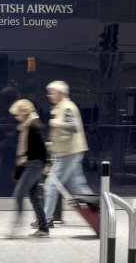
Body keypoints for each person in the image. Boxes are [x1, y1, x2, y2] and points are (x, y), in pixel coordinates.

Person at [31, 81, 94, 228]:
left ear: (60, 93)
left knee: (50, 185)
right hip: (69, 151)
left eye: (51, 92)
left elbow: (74, 127)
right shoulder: (62, 107)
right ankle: (100, 210)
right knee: (78, 186)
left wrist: (58, 124)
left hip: (68, 152)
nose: (49, 95)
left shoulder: (67, 107)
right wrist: (52, 144)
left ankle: (46, 219)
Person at [9, 99, 49, 238]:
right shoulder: (28, 125)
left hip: (34, 164)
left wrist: (46, 163)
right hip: (32, 163)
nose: (16, 117)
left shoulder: (33, 125)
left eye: (17, 114)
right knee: (34, 197)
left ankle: (17, 224)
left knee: (19, 193)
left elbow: (42, 147)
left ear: (24, 112)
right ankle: (43, 228)